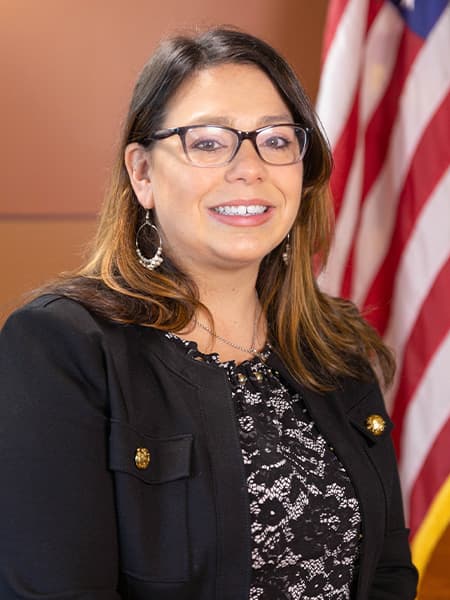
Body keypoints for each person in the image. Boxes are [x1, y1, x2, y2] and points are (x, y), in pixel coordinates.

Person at [0, 27, 417, 600]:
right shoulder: (62, 347)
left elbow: (388, 575)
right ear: (142, 173)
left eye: (275, 141)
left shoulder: (335, 348)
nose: (250, 168)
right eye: (209, 142)